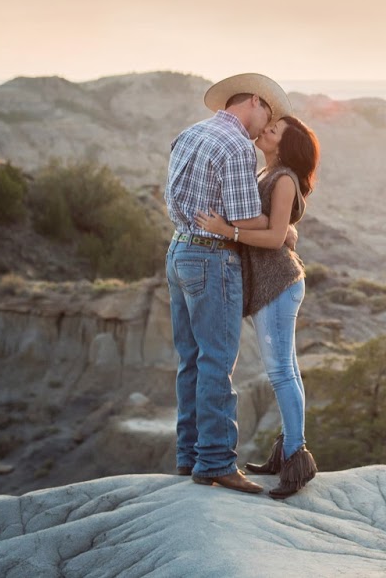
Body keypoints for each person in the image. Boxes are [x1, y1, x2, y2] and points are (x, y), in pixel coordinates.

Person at [164, 72, 291, 494]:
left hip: (179, 250)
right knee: (217, 361)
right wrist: (281, 227)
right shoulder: (236, 146)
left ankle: (189, 456)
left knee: (191, 360)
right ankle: (216, 462)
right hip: (212, 257)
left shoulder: (190, 133)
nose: (264, 129)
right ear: (254, 101)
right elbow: (242, 218)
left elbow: (173, 198)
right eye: (267, 115)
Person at [194, 113, 321, 499]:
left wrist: (226, 231)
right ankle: (286, 453)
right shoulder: (269, 173)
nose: (265, 131)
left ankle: (296, 459)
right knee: (287, 370)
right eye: (268, 127)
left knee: (281, 372)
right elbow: (284, 230)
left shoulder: (283, 178)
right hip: (273, 286)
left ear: (286, 144)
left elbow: (275, 238)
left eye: (274, 131)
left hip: (278, 285)